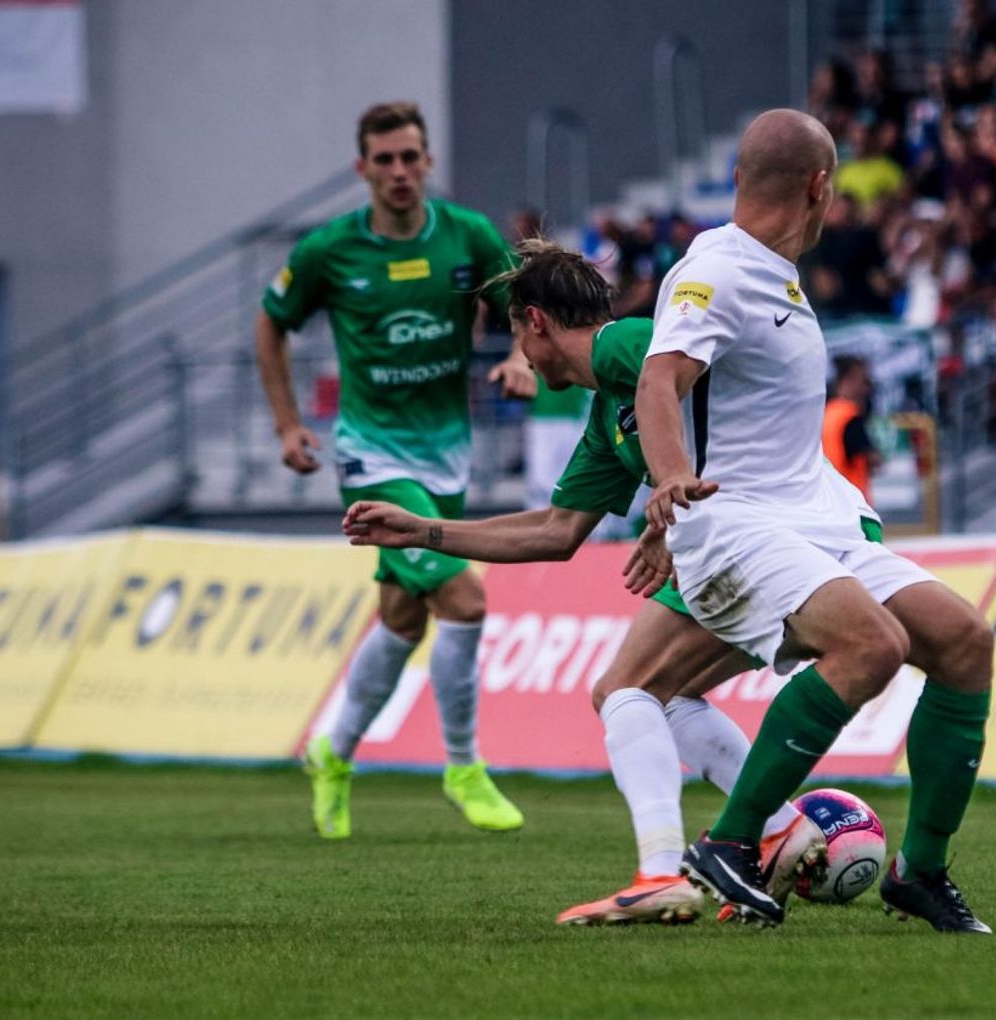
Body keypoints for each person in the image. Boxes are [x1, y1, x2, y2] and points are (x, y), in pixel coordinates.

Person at [344, 239, 882, 926]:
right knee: (663, 694)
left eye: (518, 335)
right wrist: (425, 531)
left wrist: (671, 492)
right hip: (771, 531)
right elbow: (556, 531)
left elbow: (706, 396)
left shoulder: (629, 343)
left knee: (625, 688)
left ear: (536, 322)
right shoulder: (607, 415)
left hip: (775, 529)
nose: (524, 357)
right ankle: (778, 829)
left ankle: (668, 870)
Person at [635, 109, 996, 931]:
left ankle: (920, 872)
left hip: (810, 523)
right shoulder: (718, 270)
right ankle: (730, 843)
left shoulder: (777, 275)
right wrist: (670, 480)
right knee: (872, 646)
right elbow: (659, 382)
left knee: (964, 642)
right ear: (821, 187)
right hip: (734, 525)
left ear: (739, 177)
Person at [254, 101, 534, 840]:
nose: (400, 171)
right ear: (363, 169)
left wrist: (518, 356)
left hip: (446, 454)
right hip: (370, 455)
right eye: (385, 160)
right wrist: (287, 424)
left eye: (411, 157)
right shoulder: (329, 251)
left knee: (404, 618)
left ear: (428, 160)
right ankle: (464, 766)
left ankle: (332, 751)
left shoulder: (468, 236)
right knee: (464, 598)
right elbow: (271, 323)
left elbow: (523, 307)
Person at [822, 356, 882, 501]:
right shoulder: (850, 417)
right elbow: (875, 460)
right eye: (864, 381)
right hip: (851, 501)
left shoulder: (826, 412)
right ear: (850, 379)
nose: (867, 389)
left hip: (828, 497)